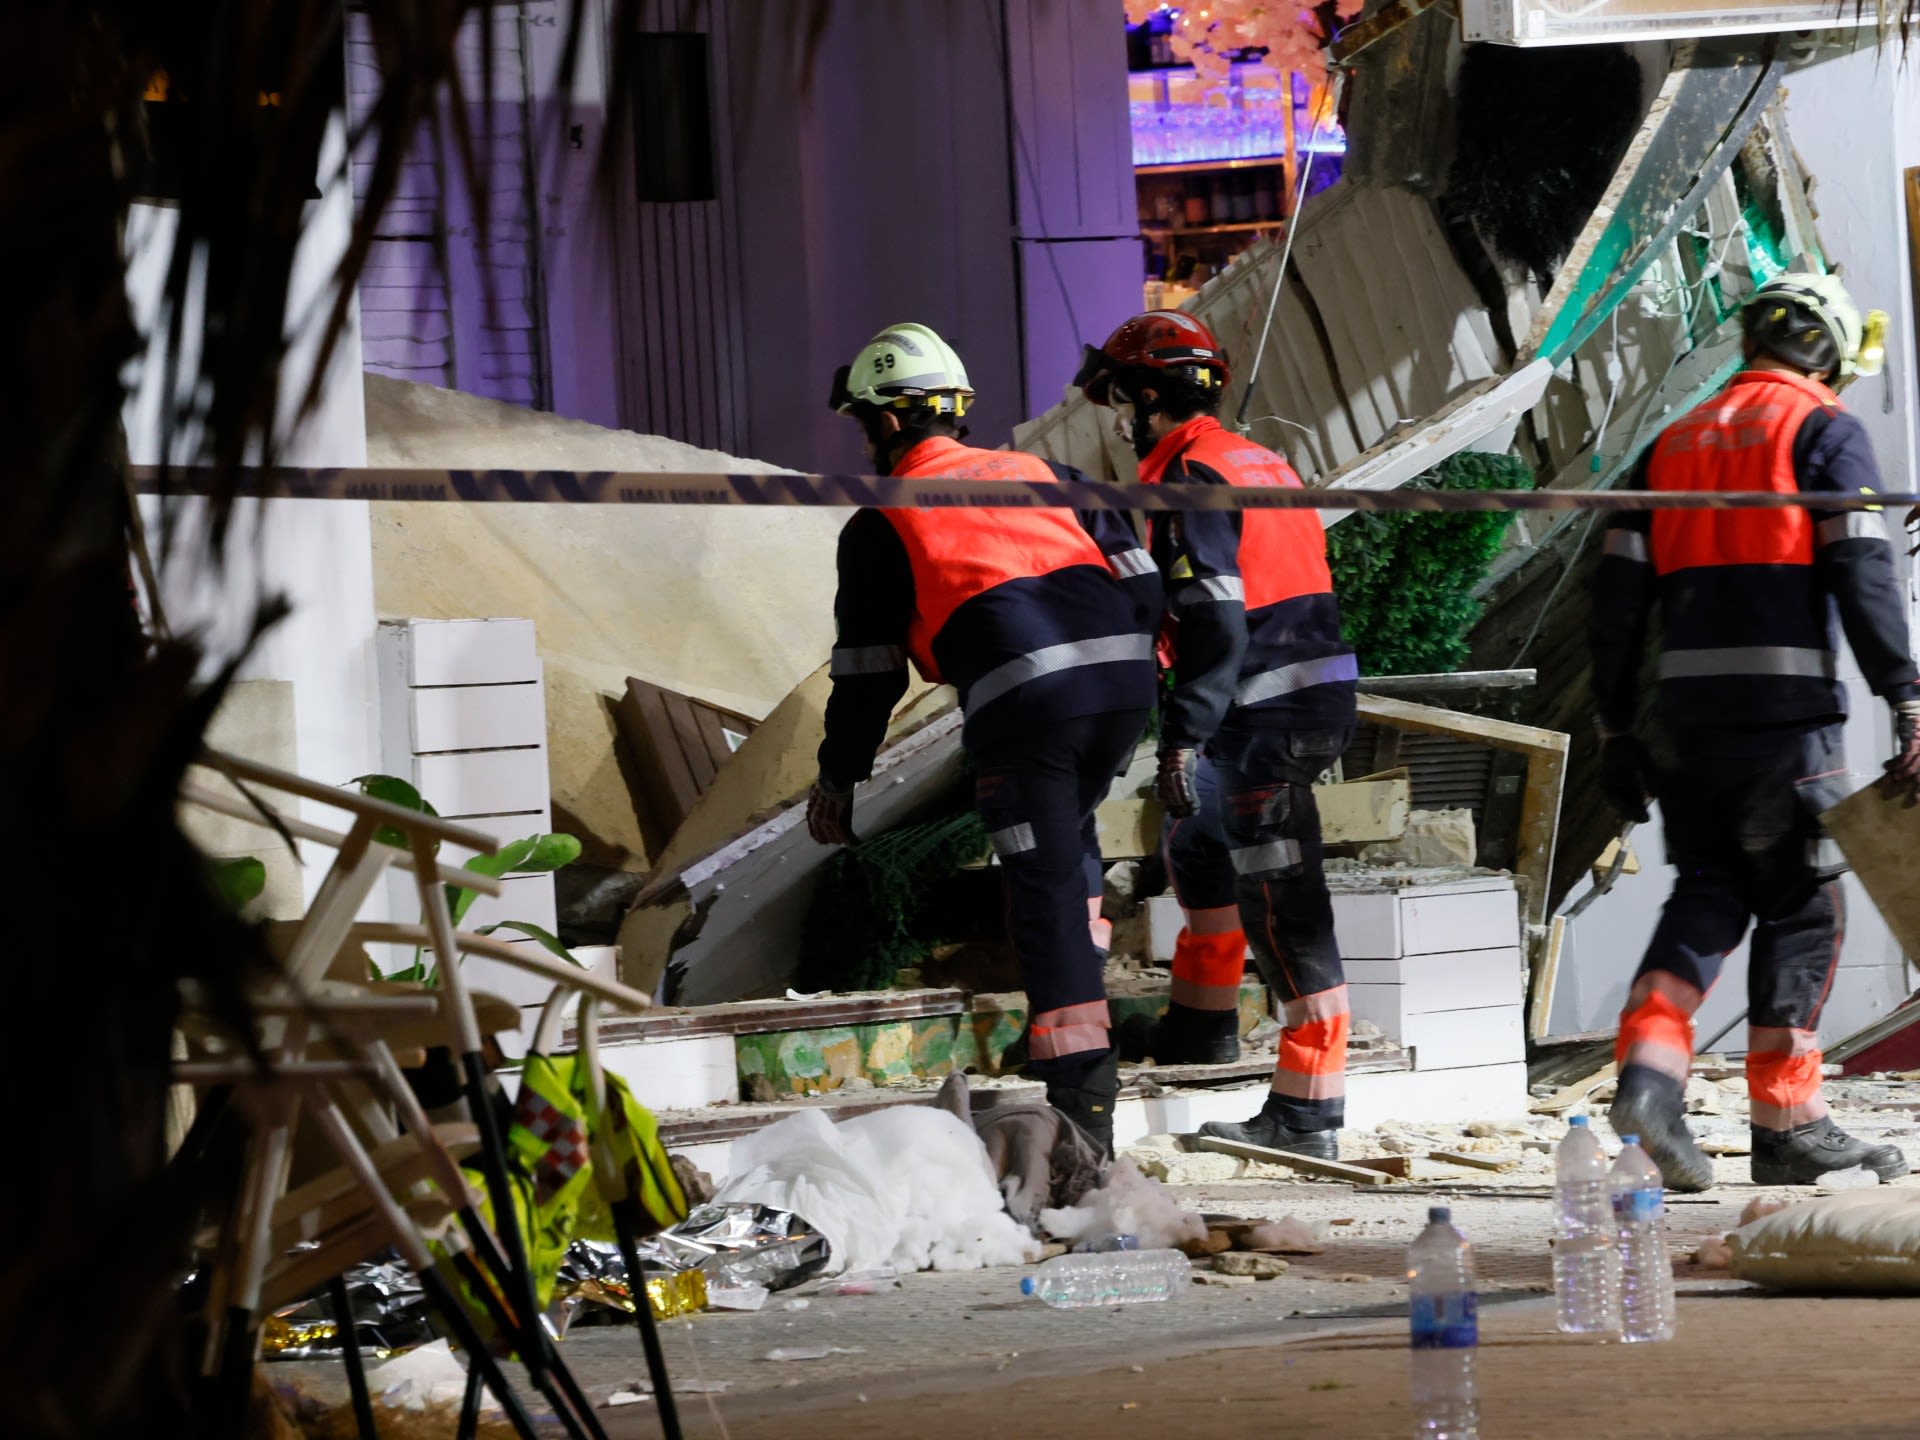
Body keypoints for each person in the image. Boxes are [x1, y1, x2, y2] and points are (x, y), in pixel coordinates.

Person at [1591, 271, 1920, 1190]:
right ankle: (1788, 1122)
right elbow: (1863, 574)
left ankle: (1651, 1081)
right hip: (1787, 725)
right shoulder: (1822, 431)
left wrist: (1619, 728)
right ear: (1825, 348)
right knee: (1804, 905)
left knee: (1707, 893)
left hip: (1684, 727)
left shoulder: (1669, 444)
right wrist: (1908, 696)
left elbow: (1614, 606)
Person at [807, 322, 1159, 1153]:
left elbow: (867, 672)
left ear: (887, 423)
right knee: (1066, 849)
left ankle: (1082, 1103)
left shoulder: (883, 518)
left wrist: (837, 775)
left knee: (1037, 891)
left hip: (1028, 704)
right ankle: (1070, 1013)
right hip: (1122, 686)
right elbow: (1140, 583)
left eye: (863, 425)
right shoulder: (1050, 474)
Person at [1075, 310, 1359, 1160]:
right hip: (1290, 697)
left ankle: (1308, 1115)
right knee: (1196, 844)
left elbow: (1214, 620)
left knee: (1284, 908)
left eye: (1123, 396)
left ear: (1152, 395)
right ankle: (1201, 1027)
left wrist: (1182, 736)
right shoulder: (1253, 458)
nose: (1119, 416)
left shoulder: (1191, 475)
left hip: (1262, 711)